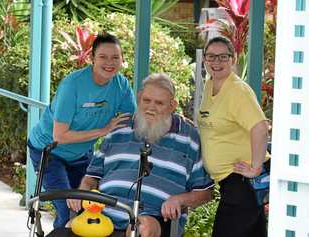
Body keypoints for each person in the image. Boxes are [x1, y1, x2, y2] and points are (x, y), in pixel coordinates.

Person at [67, 73, 213, 237]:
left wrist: (179, 200)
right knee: (69, 227)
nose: (151, 107)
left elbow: (205, 192)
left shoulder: (189, 138)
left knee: (140, 230)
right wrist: (82, 192)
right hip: (104, 212)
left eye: (159, 103)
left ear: (173, 105)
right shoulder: (118, 128)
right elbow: (91, 177)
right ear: (138, 98)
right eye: (146, 100)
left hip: (154, 217)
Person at [27, 33, 136, 228]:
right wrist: (103, 130)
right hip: (50, 150)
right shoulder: (73, 85)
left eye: (115, 57)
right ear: (92, 58)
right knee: (66, 208)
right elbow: (59, 136)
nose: (109, 62)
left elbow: (131, 123)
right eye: (103, 57)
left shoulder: (121, 85)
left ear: (122, 60)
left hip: (81, 152)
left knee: (88, 207)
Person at [197, 36, 269, 237]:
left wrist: (255, 167)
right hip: (231, 183)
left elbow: (261, 127)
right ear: (204, 60)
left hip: (242, 182)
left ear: (233, 59)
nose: (216, 62)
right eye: (211, 56)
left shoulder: (237, 90)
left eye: (223, 57)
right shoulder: (211, 85)